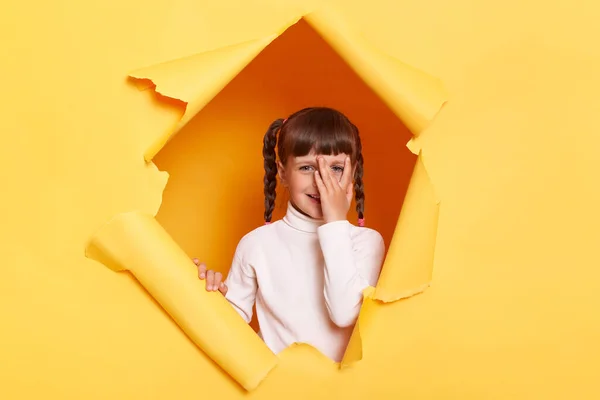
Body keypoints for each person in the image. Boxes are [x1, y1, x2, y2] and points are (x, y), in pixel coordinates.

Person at [193, 107, 385, 362]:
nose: (321, 180)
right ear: (283, 173)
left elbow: (343, 313)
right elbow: (229, 331)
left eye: (336, 168)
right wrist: (209, 296)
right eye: (306, 168)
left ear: (353, 172)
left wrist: (335, 222)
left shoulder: (367, 242)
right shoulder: (256, 244)